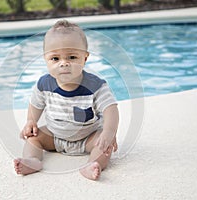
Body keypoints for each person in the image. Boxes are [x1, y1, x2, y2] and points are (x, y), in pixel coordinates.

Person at [14, 19, 119, 180]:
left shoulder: (96, 86)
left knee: (104, 145)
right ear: (46, 59)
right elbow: (35, 104)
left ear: (85, 58)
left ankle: (92, 164)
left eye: (71, 57)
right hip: (54, 136)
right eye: (55, 59)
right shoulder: (44, 84)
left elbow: (110, 109)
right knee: (33, 138)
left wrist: (109, 132)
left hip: (87, 137)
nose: (64, 63)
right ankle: (33, 160)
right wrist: (31, 121)